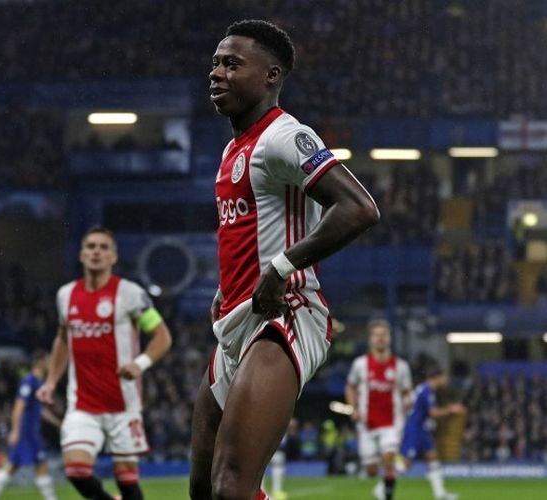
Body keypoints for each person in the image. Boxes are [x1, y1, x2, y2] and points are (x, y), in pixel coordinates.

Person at [189, 19, 379, 500]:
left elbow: (359, 208)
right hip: (236, 323)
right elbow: (249, 232)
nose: (216, 73)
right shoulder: (235, 147)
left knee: (232, 487)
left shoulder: (284, 136)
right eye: (215, 63)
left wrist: (279, 268)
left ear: (271, 75)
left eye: (232, 64)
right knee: (202, 491)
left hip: (286, 314)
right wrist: (223, 291)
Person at [37, 226, 172, 500]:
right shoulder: (66, 295)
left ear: (113, 257)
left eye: (103, 247)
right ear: (81, 255)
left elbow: (162, 336)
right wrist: (51, 381)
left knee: (127, 481)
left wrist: (140, 363)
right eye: (90, 247)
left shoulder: (130, 294)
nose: (96, 252)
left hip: (123, 405)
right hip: (83, 405)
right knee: (76, 470)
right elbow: (63, 339)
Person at [345, 319, 412, 500]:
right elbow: (350, 387)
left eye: (384, 334)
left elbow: (406, 392)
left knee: (388, 459)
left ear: (389, 338)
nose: (380, 338)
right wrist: (354, 408)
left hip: (392, 422)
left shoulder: (401, 366)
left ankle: (387, 495)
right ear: (370, 339)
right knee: (372, 470)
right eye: (376, 335)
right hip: (367, 423)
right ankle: (382, 485)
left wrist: (407, 401)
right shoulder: (360, 364)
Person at [0, 351, 60, 500]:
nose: (50, 362)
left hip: (32, 431)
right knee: (36, 463)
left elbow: (40, 409)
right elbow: (18, 407)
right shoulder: (29, 381)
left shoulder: (38, 382)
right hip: (26, 431)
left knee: (15, 464)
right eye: (48, 359)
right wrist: (15, 431)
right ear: (40, 362)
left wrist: (57, 422)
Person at [400, 365, 466, 500]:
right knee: (406, 463)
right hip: (414, 428)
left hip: (421, 428)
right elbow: (434, 413)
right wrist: (451, 409)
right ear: (437, 378)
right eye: (444, 377)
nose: (445, 380)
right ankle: (383, 487)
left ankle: (440, 493)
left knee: (433, 457)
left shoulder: (423, 388)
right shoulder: (427, 391)